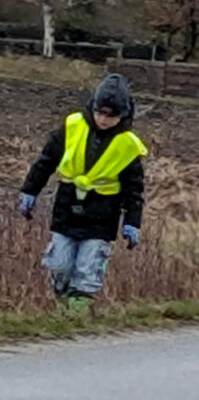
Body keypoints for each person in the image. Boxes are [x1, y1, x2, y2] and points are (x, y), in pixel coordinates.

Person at [18, 73, 147, 312]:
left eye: (111, 116)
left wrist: (132, 222)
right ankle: (61, 301)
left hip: (103, 214)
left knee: (88, 266)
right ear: (93, 107)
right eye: (100, 113)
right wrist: (30, 191)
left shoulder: (129, 145)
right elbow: (46, 162)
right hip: (67, 207)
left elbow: (134, 190)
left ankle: (78, 312)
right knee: (59, 264)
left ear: (123, 115)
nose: (104, 119)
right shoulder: (71, 126)